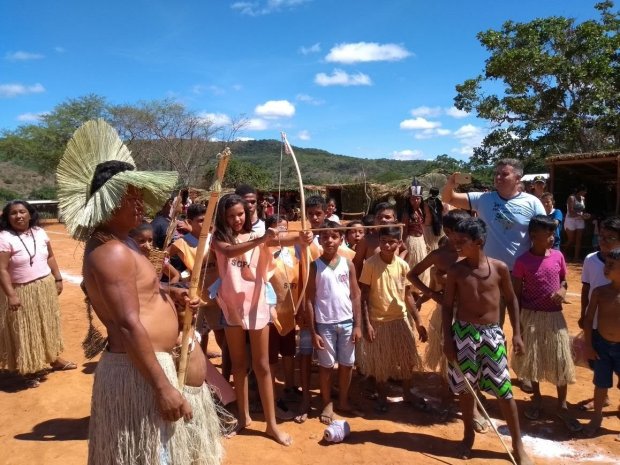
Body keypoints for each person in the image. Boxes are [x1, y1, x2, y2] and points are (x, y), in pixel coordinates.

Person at [58, 119, 221, 465]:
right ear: (108, 201)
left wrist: (170, 292)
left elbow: (139, 290)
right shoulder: (112, 252)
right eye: (130, 196)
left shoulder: (124, 243)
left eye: (138, 195)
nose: (139, 203)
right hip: (141, 374)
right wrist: (162, 387)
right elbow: (128, 324)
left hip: (147, 367)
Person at [212, 193, 310, 446]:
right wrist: (261, 239)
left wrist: (301, 238)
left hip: (256, 304)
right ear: (223, 217)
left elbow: (282, 240)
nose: (237, 219)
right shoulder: (219, 239)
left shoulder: (258, 236)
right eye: (231, 216)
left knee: (263, 365)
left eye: (240, 214)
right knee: (238, 365)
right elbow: (230, 251)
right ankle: (243, 417)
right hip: (232, 305)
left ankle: (271, 425)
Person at [442, 218, 532, 465]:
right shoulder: (456, 271)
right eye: (455, 240)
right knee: (466, 388)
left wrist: (517, 333)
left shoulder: (499, 268)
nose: (457, 245)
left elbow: (511, 300)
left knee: (504, 389)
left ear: (479, 242)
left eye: (462, 241)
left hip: (492, 334)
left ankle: (517, 445)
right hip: (463, 334)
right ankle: (468, 436)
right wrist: (447, 339)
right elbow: (447, 307)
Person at [511, 215, 581, 432]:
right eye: (548, 233)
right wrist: (518, 327)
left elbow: (564, 281)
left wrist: (562, 291)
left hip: (554, 318)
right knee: (534, 359)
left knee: (561, 360)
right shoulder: (522, 261)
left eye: (553, 233)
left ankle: (562, 405)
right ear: (533, 235)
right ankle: (537, 399)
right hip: (531, 317)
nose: (553, 237)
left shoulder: (558, 256)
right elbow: (515, 295)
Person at [0, 200, 75, 387]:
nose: (18, 216)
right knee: (25, 329)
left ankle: (53, 359)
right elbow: (1, 269)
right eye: (13, 213)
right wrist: (11, 295)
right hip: (21, 290)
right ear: (7, 217)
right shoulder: (4, 238)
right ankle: (29, 368)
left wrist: (58, 278)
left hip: (44, 287)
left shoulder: (39, 232)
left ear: (30, 214)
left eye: (22, 212)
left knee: (47, 324)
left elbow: (50, 256)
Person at [358, 226, 427, 413]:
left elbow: (407, 295)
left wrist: (418, 321)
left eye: (391, 242)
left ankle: (407, 393)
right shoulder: (370, 264)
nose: (387, 245)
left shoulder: (403, 265)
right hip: (378, 321)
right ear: (379, 241)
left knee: (407, 360)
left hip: (400, 320)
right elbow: (364, 296)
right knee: (382, 363)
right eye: (383, 241)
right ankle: (382, 397)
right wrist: (367, 324)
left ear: (399, 243)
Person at [306, 220, 362, 424]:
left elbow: (355, 295)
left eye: (334, 236)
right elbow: (309, 300)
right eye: (325, 237)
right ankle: (327, 402)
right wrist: (313, 332)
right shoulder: (315, 266)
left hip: (347, 323)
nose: (329, 240)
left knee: (347, 364)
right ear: (319, 240)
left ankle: (344, 401)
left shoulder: (348, 264)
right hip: (325, 325)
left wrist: (357, 325)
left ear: (341, 239)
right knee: (326, 366)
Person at [578, 216, 620, 411]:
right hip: (594, 321)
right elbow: (586, 288)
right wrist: (582, 313)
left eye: (610, 237)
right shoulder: (590, 260)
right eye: (601, 236)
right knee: (598, 362)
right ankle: (603, 398)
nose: (604, 241)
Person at [583, 248, 620, 437]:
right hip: (601, 345)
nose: (606, 267)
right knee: (601, 383)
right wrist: (589, 345)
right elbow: (589, 319)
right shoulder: (600, 292)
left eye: (612, 265)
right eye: (606, 263)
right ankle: (597, 417)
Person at [265, 214, 299, 419]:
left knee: (288, 351)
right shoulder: (265, 250)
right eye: (278, 228)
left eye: (285, 228)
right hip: (270, 313)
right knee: (270, 356)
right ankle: (271, 393)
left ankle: (290, 386)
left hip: (289, 311)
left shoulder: (293, 251)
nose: (282, 232)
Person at [401, 187, 429, 286]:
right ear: (409, 200)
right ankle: (411, 286)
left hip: (420, 240)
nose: (415, 201)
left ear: (421, 199)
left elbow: (422, 227)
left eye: (418, 198)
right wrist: (403, 243)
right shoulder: (406, 213)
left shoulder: (421, 211)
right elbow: (404, 229)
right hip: (411, 241)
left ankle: (420, 285)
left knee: (421, 261)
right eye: (413, 198)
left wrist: (425, 240)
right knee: (412, 262)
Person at [564, 185, 589, 261]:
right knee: (571, 240)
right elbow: (571, 212)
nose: (585, 193)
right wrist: (582, 216)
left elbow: (583, 210)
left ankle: (576, 257)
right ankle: (563, 253)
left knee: (579, 239)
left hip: (580, 220)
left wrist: (585, 215)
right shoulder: (571, 198)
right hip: (570, 220)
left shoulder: (583, 198)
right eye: (584, 191)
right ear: (580, 191)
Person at [423, 187, 444, 252]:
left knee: (430, 246)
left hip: (428, 225)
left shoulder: (425, 202)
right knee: (438, 243)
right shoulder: (440, 202)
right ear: (438, 193)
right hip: (439, 225)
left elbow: (424, 213)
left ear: (430, 193)